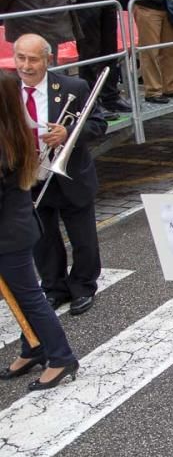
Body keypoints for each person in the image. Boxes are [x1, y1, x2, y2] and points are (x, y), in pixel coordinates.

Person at [14, 34, 108, 315]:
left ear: (48, 60)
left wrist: (68, 133)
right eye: (21, 58)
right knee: (42, 239)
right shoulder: (7, 90)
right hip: (29, 176)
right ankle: (53, 287)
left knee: (84, 240)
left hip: (70, 175)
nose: (26, 66)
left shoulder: (73, 87)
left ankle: (83, 286)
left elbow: (98, 123)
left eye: (33, 59)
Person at [0, 69, 80, 391]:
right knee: (21, 293)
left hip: (9, 233)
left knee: (30, 296)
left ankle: (61, 357)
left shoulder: (4, 141)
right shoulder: (13, 129)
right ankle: (33, 347)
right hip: (16, 227)